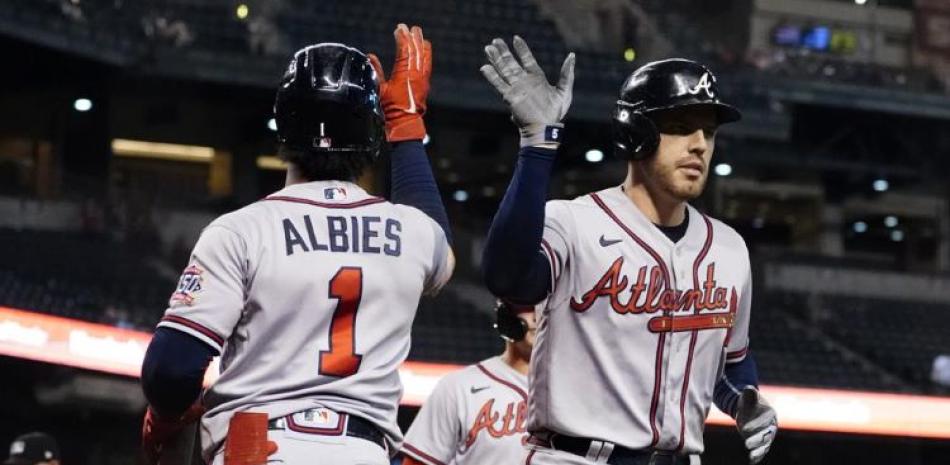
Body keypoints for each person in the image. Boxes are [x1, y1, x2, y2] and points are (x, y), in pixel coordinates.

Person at [139, 24, 454, 465]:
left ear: (283, 122)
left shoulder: (241, 230)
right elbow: (441, 243)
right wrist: (405, 123)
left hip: (261, 447)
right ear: (369, 131)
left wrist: (167, 416)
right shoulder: (413, 232)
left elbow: (170, 373)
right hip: (363, 453)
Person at [479, 36, 778, 465]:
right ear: (635, 133)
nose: (699, 145)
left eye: (708, 132)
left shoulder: (729, 249)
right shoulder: (574, 223)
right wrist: (536, 144)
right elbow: (507, 277)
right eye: (680, 127)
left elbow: (731, 362)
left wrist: (745, 400)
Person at [400, 301, 536, 465]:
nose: (539, 316)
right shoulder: (458, 387)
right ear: (505, 315)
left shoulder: (574, 390)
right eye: (531, 306)